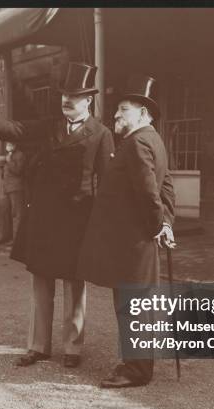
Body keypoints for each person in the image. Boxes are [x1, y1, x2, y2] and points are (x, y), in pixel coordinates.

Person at [0, 62, 115, 368]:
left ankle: (73, 348)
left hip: (77, 218)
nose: (66, 100)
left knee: (73, 284)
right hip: (44, 216)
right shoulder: (50, 126)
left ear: (89, 101)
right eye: (64, 94)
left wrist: (102, 224)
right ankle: (38, 346)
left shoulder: (101, 134)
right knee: (41, 281)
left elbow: (106, 181)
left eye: (75, 95)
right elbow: (19, 129)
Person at [77, 75, 176, 388]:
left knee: (132, 304)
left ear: (143, 115)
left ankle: (136, 370)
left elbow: (150, 191)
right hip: (139, 239)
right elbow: (167, 187)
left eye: (123, 110)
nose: (116, 115)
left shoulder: (136, 143)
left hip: (132, 242)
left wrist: (158, 224)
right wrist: (166, 223)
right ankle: (138, 365)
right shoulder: (154, 140)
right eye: (116, 110)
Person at [0, 142, 26, 245]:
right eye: (7, 144)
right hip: (7, 189)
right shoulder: (9, 156)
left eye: (11, 144)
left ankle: (17, 240)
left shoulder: (20, 155)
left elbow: (18, 171)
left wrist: (9, 161)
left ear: (15, 145)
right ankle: (3, 236)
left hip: (16, 188)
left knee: (16, 214)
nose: (8, 146)